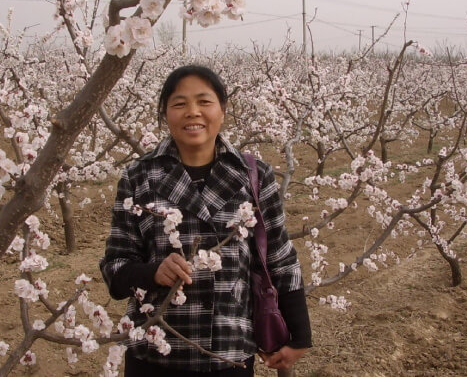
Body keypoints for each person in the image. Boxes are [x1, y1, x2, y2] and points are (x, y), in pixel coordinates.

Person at [100, 64, 311, 376]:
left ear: (222, 111)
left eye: (204, 101)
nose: (193, 112)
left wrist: (300, 333)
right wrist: (153, 272)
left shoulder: (254, 175)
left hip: (227, 352)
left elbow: (280, 260)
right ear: (165, 113)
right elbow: (114, 267)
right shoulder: (139, 176)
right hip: (155, 351)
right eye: (179, 104)